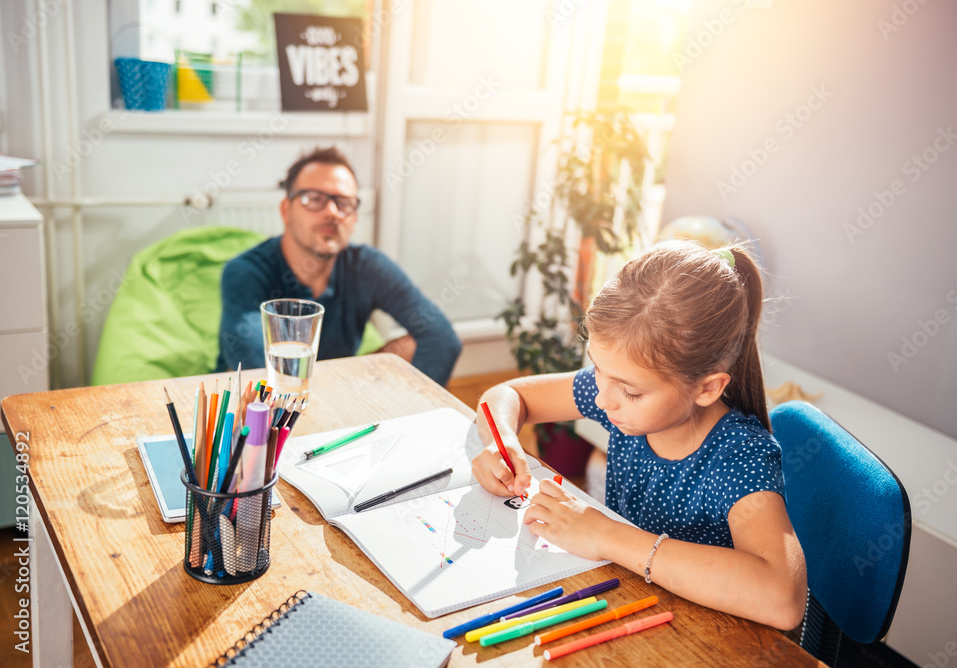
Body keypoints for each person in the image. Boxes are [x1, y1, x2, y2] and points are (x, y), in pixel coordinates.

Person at [471, 240, 807, 630]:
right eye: (597, 368)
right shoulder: (621, 399)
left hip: (708, 636)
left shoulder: (739, 454)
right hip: (635, 602)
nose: (601, 397)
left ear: (706, 389)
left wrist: (606, 536)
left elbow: (782, 598)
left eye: (630, 391)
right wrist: (500, 442)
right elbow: (509, 395)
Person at [217, 146, 461, 386]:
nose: (332, 212)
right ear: (286, 210)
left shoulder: (368, 266)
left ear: (354, 218)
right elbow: (256, 366)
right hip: (273, 401)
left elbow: (442, 339)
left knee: (408, 346)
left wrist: (414, 411)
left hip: (340, 386)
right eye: (314, 199)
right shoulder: (246, 272)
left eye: (344, 203)